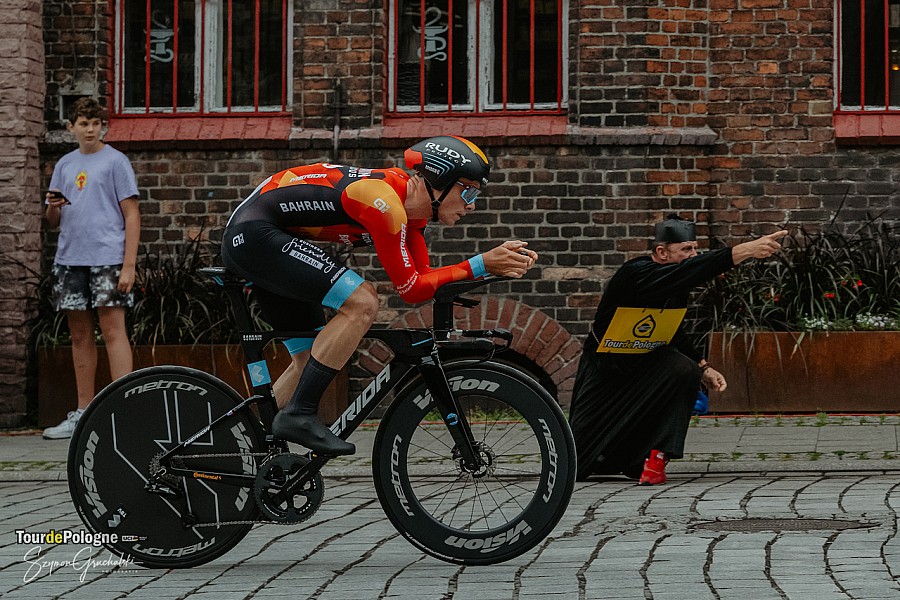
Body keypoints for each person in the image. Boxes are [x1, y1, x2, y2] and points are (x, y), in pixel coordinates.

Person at [221, 136, 538, 455]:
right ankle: (299, 415)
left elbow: (425, 281)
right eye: (468, 192)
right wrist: (481, 263)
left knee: (309, 360)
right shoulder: (384, 204)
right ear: (440, 180)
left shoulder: (411, 214)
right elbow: (410, 289)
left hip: (267, 235)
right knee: (363, 302)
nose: (471, 205)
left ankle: (243, 448)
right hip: (254, 235)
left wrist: (490, 268)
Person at [568, 215, 786, 484]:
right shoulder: (636, 273)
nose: (693, 255)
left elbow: (672, 329)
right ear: (662, 252)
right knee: (575, 465)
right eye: (686, 249)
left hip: (647, 366)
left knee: (683, 369)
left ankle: (655, 458)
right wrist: (744, 250)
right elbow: (690, 271)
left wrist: (703, 367)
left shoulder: (677, 285)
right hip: (608, 370)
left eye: (695, 249)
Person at [42, 97, 140, 439]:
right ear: (71, 127)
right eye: (84, 123)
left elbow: (131, 214)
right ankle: (83, 413)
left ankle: (124, 411)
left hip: (108, 257)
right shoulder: (65, 164)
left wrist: (128, 266)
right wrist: (52, 206)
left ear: (102, 127)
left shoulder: (115, 161)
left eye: (96, 123)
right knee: (80, 335)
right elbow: (52, 220)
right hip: (70, 259)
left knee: (113, 331)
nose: (90, 129)